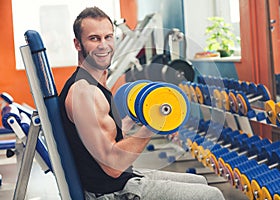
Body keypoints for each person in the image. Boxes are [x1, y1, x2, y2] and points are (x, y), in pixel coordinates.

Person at [59, 6, 225, 200]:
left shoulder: (94, 84)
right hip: (110, 193)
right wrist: (153, 124)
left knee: (200, 182)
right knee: (212, 195)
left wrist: (134, 119)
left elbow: (109, 138)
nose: (103, 45)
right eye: (94, 38)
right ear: (77, 44)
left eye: (108, 37)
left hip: (120, 180)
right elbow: (113, 165)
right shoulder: (84, 93)